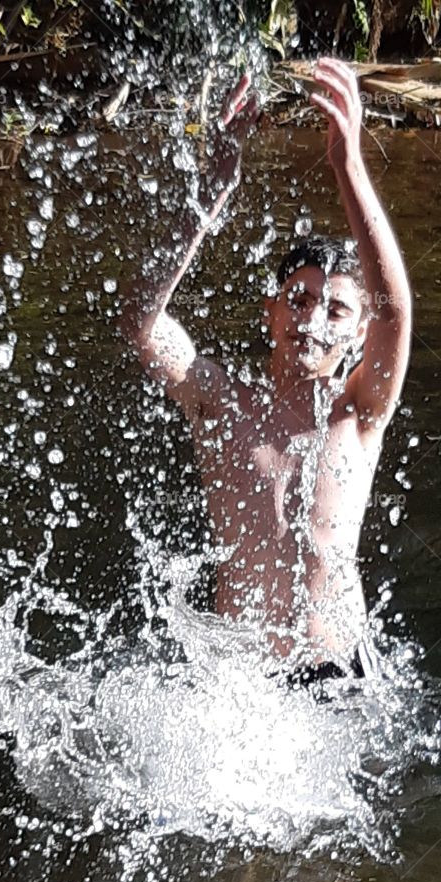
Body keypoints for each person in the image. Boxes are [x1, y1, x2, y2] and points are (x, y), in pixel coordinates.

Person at [121, 58, 412, 684]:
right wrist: (214, 186)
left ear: (357, 334)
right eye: (299, 299)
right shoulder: (219, 400)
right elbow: (143, 320)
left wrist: (348, 164)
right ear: (270, 313)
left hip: (341, 678)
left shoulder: (359, 416)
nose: (313, 319)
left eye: (336, 308)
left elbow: (395, 312)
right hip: (245, 689)